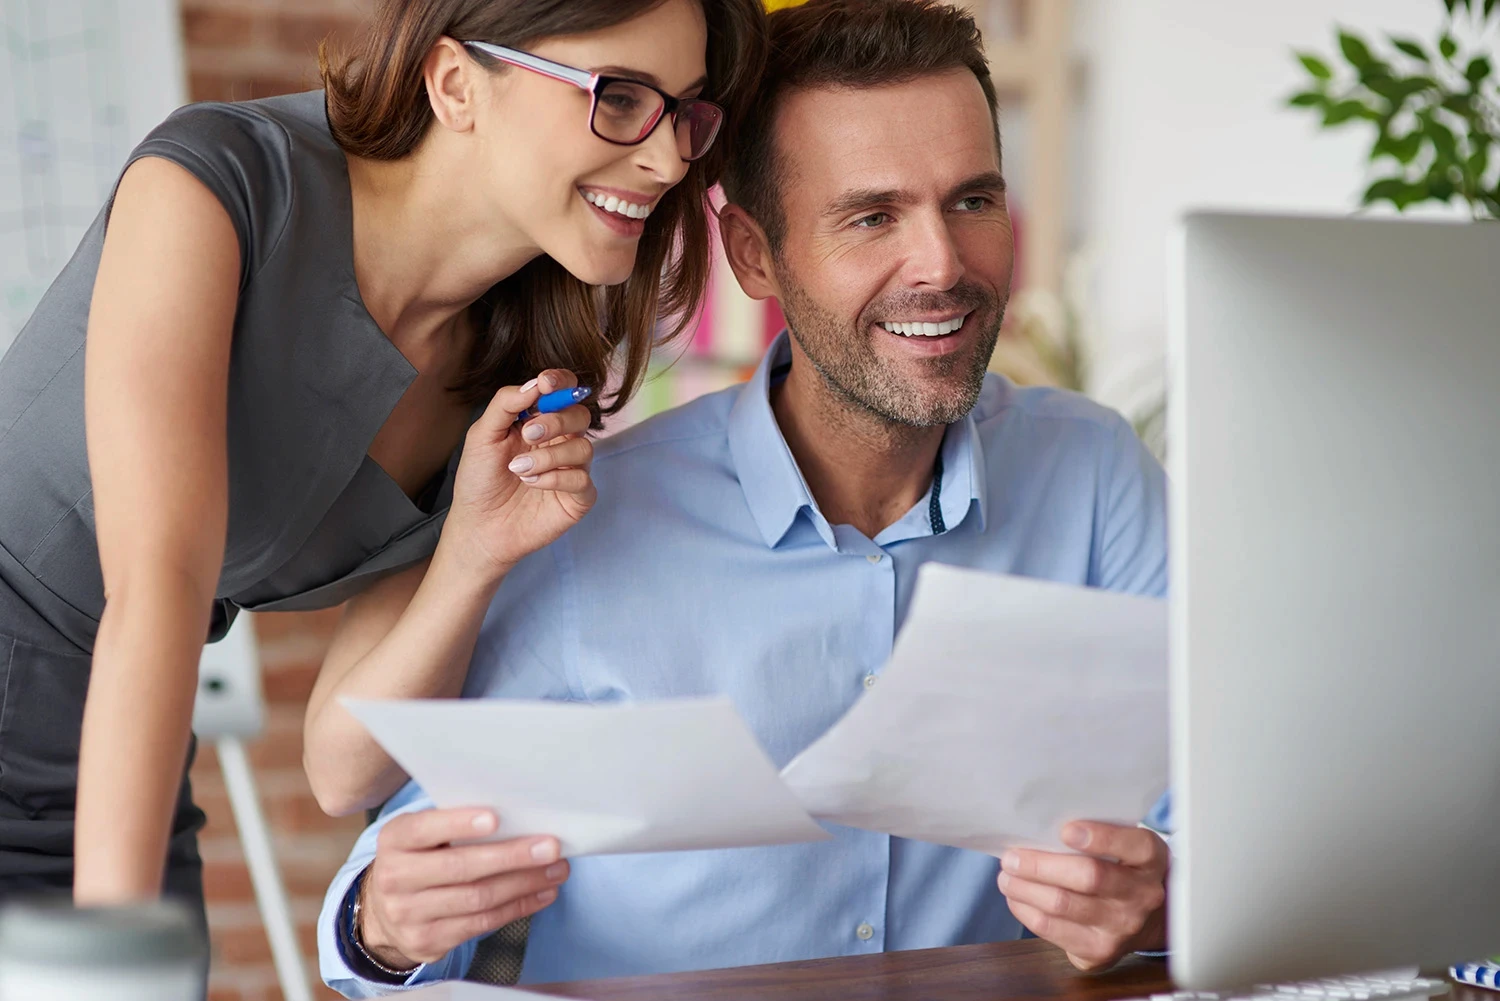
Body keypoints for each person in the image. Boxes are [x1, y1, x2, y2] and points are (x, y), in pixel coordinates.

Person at [317, 0, 1169, 994]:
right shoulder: (585, 523)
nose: (942, 265)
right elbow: (391, 906)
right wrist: (387, 920)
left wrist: (1159, 897)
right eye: (873, 216)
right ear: (755, 254)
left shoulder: (1095, 475)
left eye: (973, 201)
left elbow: (1226, 820)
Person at [0, 0, 765, 922]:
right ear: (455, 84)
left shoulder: (509, 371)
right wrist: (116, 945)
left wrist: (473, 553)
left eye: (684, 111)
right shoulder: (222, 182)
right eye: (620, 96)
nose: (668, 157)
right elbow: (159, 584)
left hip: (119, 765)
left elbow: (339, 763)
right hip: (92, 735)